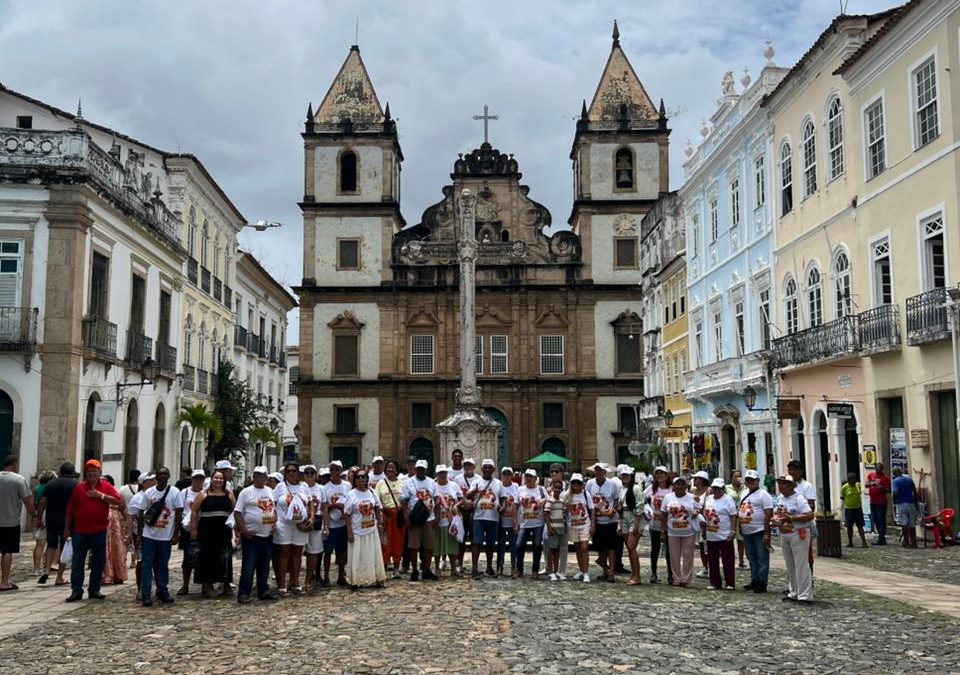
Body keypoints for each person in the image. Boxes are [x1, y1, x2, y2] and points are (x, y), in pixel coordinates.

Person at [62, 459, 120, 602]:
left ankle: (94, 589)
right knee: (77, 562)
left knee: (98, 562)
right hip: (80, 531)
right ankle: (76, 590)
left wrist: (100, 496)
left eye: (95, 471)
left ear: (99, 473)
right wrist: (66, 529)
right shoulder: (79, 488)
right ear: (86, 474)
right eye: (89, 471)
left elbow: (118, 501)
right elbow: (69, 510)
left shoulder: (106, 486)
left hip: (99, 530)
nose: (92, 474)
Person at [135, 467, 183, 607]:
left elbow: (179, 513)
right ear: (156, 477)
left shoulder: (174, 493)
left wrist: (176, 534)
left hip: (165, 536)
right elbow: (141, 513)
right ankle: (146, 594)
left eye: (164, 474)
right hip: (149, 535)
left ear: (168, 476)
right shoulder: (149, 493)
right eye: (160, 474)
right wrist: (139, 534)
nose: (162, 477)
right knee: (146, 565)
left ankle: (162, 590)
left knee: (163, 565)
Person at [234, 466, 279, 603]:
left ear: (266, 477)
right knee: (249, 565)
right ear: (253, 477)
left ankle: (263, 590)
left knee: (264, 565)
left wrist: (274, 523)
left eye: (263, 476)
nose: (260, 478)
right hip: (251, 535)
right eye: (257, 475)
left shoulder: (270, 491)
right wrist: (243, 530)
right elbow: (237, 512)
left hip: (267, 534)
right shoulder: (246, 493)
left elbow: (273, 509)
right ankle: (244, 592)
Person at [191, 469, 235, 597]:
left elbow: (235, 510)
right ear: (211, 479)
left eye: (221, 478)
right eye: (216, 478)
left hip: (224, 530)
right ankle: (208, 584)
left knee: (225, 556)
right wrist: (193, 530)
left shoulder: (229, 494)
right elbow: (194, 511)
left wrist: (236, 530)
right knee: (207, 556)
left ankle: (226, 583)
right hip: (207, 530)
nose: (218, 480)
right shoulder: (204, 494)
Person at [773, 475, 815, 604]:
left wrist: (791, 518)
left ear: (791, 486)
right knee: (790, 565)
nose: (781, 486)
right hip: (785, 533)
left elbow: (809, 514)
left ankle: (805, 595)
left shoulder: (799, 498)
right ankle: (794, 591)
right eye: (780, 484)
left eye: (784, 484)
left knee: (801, 565)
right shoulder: (780, 499)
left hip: (798, 533)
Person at [273, 462, 312, 595]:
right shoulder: (280, 487)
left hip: (300, 524)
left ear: (297, 473)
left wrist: (311, 518)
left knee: (297, 553)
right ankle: (282, 584)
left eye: (293, 471)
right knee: (283, 554)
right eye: (288, 471)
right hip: (284, 523)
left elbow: (310, 502)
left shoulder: (304, 486)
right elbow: (274, 503)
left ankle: (295, 582)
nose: (291, 473)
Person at [36, 461, 77, 586]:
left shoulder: (50, 484)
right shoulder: (75, 485)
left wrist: (38, 517)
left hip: (51, 518)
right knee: (65, 547)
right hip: (67, 520)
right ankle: (59, 576)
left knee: (51, 545)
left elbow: (42, 501)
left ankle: (47, 570)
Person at [344, 469, 386, 589]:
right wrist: (349, 532)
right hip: (357, 530)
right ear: (355, 480)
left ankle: (376, 577)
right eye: (358, 477)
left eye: (363, 477)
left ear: (367, 479)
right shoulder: (351, 494)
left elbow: (377, 508)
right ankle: (356, 579)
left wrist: (380, 523)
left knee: (373, 555)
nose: (361, 479)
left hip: (371, 529)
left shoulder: (372, 492)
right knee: (357, 556)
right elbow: (346, 514)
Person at [0, 454, 34, 592]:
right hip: (11, 521)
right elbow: (27, 500)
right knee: (7, 551)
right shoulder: (18, 480)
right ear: (14, 465)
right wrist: (34, 515)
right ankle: (4, 582)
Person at [401, 459, 439, 581]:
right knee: (413, 546)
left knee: (429, 546)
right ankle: (414, 570)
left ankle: (427, 569)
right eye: (418, 468)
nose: (420, 471)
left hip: (429, 518)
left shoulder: (432, 482)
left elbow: (437, 499)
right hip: (415, 518)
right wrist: (406, 517)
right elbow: (404, 501)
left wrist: (437, 517)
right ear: (415, 469)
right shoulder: (408, 482)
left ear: (426, 470)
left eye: (422, 469)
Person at [738, 469, 773, 593]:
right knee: (751, 558)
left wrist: (766, 533)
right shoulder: (744, 492)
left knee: (762, 558)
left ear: (757, 481)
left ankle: (762, 583)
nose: (750, 482)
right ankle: (754, 580)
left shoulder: (764, 495)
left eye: (752, 480)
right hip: (747, 531)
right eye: (748, 480)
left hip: (759, 531)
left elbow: (768, 513)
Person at [660, 475, 699, 588]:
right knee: (674, 556)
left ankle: (686, 579)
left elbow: (698, 508)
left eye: (682, 484)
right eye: (678, 484)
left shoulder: (692, 497)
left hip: (688, 531)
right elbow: (664, 514)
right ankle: (676, 578)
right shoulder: (668, 497)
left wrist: (696, 512)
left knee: (688, 556)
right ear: (674, 486)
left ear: (686, 486)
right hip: (673, 531)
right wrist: (663, 531)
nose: (680, 486)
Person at [467, 459, 502, 579]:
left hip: (493, 517)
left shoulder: (498, 483)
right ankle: (475, 568)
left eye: (489, 467)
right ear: (481, 469)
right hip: (479, 517)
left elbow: (501, 498)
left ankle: (489, 567)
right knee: (476, 542)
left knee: (491, 544)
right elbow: (468, 495)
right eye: (485, 467)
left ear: (493, 469)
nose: (487, 470)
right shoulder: (476, 482)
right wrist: (476, 491)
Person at [586, 463, 620, 582]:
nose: (599, 473)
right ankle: (605, 570)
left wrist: (613, 510)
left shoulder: (612, 484)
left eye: (601, 471)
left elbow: (616, 499)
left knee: (611, 547)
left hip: (610, 520)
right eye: (597, 471)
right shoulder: (590, 484)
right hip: (597, 520)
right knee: (601, 548)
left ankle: (611, 572)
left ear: (605, 472)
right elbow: (588, 499)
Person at [703, 478, 737, 591]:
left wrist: (732, 530)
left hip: (725, 534)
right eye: (715, 488)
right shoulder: (708, 499)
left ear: (723, 488)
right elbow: (705, 514)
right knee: (712, 560)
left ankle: (730, 582)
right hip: (711, 534)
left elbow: (733, 516)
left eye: (719, 488)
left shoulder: (728, 500)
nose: (717, 490)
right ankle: (715, 582)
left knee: (728, 559)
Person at [321, 460, 350, 587]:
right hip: (331, 524)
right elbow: (324, 506)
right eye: (332, 469)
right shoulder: (325, 488)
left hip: (343, 523)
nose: (334, 472)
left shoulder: (347, 486)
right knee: (327, 552)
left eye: (337, 469)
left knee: (342, 551)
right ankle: (326, 576)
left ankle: (341, 576)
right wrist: (335, 505)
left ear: (341, 470)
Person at [177, 469, 206, 595]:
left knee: (204, 556)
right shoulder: (185, 492)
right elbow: (179, 509)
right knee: (187, 559)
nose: (198, 481)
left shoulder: (206, 493)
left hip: (203, 527)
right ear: (192, 479)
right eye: (196, 478)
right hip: (187, 527)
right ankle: (185, 584)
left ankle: (205, 584)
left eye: (201, 478)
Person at [375, 460, 405, 578]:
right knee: (385, 543)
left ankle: (397, 567)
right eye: (388, 468)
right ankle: (384, 566)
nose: (390, 470)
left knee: (398, 542)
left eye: (393, 468)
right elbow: (377, 501)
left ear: (397, 470)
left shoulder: (402, 483)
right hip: (386, 515)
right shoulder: (381, 484)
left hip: (398, 515)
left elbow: (405, 499)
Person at [562, 473, 594, 582]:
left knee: (584, 548)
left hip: (585, 524)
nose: (576, 484)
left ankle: (586, 572)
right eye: (574, 482)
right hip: (573, 525)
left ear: (582, 483)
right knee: (577, 548)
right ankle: (581, 569)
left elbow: (591, 509)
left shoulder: (586, 494)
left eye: (578, 482)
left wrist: (593, 524)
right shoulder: (567, 494)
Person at [515, 468, 546, 580]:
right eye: (527, 476)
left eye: (530, 477)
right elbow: (516, 505)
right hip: (524, 523)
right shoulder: (520, 490)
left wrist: (543, 501)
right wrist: (515, 522)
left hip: (538, 523)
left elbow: (548, 500)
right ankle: (520, 569)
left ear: (535, 478)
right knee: (519, 545)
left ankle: (535, 570)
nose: (528, 479)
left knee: (537, 545)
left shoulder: (541, 490)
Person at [645, 466, 673, 585]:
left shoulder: (671, 489)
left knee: (669, 551)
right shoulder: (652, 489)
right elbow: (643, 499)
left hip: (669, 524)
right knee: (654, 549)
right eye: (658, 474)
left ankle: (671, 574)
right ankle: (654, 572)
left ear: (667, 476)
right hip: (654, 523)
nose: (660, 476)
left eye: (662, 474)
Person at [434, 465, 463, 577]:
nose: (442, 475)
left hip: (451, 520)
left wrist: (456, 505)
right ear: (437, 474)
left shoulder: (453, 485)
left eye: (444, 473)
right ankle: (437, 567)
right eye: (440, 473)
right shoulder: (434, 486)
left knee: (452, 545)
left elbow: (461, 499)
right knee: (437, 545)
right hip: (438, 519)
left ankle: (453, 568)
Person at [617, 466, 643, 586]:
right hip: (624, 517)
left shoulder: (636, 488)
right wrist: (620, 524)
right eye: (623, 475)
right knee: (629, 548)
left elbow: (639, 506)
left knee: (632, 547)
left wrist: (636, 524)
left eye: (627, 475)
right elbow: (620, 506)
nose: (625, 477)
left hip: (633, 517)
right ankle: (634, 574)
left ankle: (637, 575)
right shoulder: (622, 489)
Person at [100, 475, 128, 585]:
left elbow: (124, 510)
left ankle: (118, 575)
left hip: (115, 525)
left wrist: (127, 526)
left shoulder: (115, 495)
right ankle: (106, 575)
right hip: (103, 523)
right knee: (105, 549)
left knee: (116, 548)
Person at [300, 464, 324, 591]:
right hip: (301, 522)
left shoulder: (320, 488)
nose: (309, 475)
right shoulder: (300, 487)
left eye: (312, 473)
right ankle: (294, 580)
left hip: (316, 521)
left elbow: (324, 506)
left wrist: (326, 525)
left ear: (315, 475)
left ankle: (309, 579)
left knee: (313, 551)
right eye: (307, 472)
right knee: (297, 551)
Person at [454, 457, 477, 572]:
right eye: (466, 465)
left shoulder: (478, 479)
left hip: (474, 511)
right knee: (461, 539)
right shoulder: (458, 479)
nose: (468, 467)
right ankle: (459, 564)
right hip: (462, 511)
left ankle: (474, 565)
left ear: (474, 467)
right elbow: (455, 495)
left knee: (474, 539)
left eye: (470, 465)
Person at [545, 463, 568, 575]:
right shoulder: (548, 488)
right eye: (552, 471)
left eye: (556, 471)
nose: (553, 473)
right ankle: (548, 567)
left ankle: (561, 569)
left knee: (563, 546)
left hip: (564, 521)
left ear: (561, 473)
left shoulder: (567, 487)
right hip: (551, 521)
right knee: (547, 542)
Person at [31, 470, 55, 575]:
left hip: (38, 514)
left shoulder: (36, 489)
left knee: (39, 543)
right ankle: (48, 566)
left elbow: (33, 503)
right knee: (52, 542)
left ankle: (36, 569)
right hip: (49, 514)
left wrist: (35, 517)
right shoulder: (51, 488)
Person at [497, 467, 519, 578]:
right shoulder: (498, 487)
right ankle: (500, 566)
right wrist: (502, 507)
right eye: (504, 474)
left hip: (512, 521)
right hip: (501, 521)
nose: (506, 476)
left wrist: (516, 522)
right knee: (500, 545)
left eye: (508, 474)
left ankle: (513, 566)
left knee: (513, 545)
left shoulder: (515, 487)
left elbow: (517, 503)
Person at [690, 470, 711, 579]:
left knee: (709, 545)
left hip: (707, 521)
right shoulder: (692, 492)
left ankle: (711, 567)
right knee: (702, 546)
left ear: (702, 480)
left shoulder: (708, 491)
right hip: (697, 522)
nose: (694, 480)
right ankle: (705, 567)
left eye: (696, 479)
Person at [118, 469, 140, 570]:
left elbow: (119, 500)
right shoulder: (140, 489)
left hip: (125, 516)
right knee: (136, 539)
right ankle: (133, 561)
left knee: (126, 538)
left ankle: (123, 560)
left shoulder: (123, 489)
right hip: (137, 517)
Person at [892, 467, 918, 548]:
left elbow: (895, 493)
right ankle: (914, 542)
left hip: (901, 504)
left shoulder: (895, 481)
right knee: (912, 524)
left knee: (904, 524)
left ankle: (906, 542)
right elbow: (915, 492)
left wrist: (894, 502)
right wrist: (916, 503)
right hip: (911, 503)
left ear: (894, 473)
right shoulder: (909, 479)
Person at [865, 463, 891, 545]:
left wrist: (882, 488)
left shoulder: (885, 478)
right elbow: (866, 484)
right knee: (875, 519)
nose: (878, 469)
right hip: (873, 501)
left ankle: (881, 538)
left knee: (881, 519)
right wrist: (871, 483)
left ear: (882, 469)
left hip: (881, 502)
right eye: (877, 468)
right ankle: (881, 535)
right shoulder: (871, 475)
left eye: (880, 468)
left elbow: (889, 490)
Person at [840, 472, 868, 548]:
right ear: (849, 480)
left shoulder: (858, 485)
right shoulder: (844, 488)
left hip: (858, 508)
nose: (854, 481)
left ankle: (864, 542)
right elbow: (842, 497)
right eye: (853, 480)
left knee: (860, 526)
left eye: (855, 479)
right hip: (849, 509)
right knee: (849, 526)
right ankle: (850, 542)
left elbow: (859, 493)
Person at [726, 470, 747, 568]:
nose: (737, 478)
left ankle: (741, 561)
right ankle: (729, 559)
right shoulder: (727, 488)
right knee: (729, 538)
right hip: (730, 516)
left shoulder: (745, 488)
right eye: (735, 476)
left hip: (741, 516)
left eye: (739, 476)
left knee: (740, 540)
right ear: (731, 478)